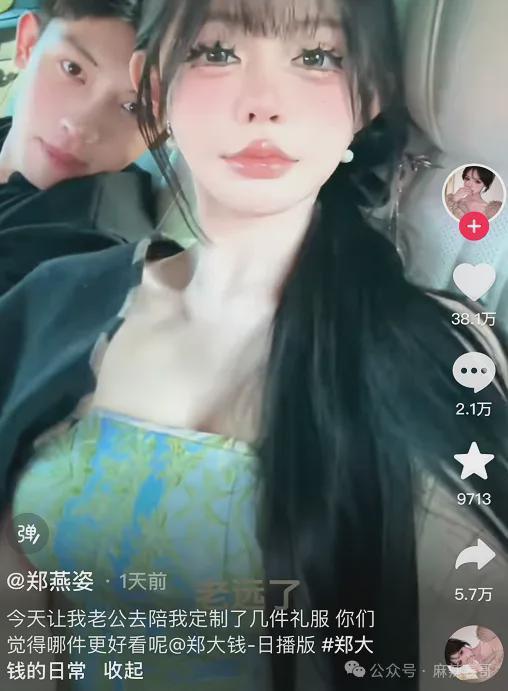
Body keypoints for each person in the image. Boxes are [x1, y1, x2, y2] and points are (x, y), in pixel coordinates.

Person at [0, 0, 508, 689]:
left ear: (369, 97)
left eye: (317, 57)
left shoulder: (440, 359)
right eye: (216, 51)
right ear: (155, 88)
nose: (263, 103)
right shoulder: (53, 302)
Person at [0, 0, 157, 295]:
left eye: (133, 107)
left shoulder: (80, 247)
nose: (82, 126)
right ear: (27, 45)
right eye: (73, 69)